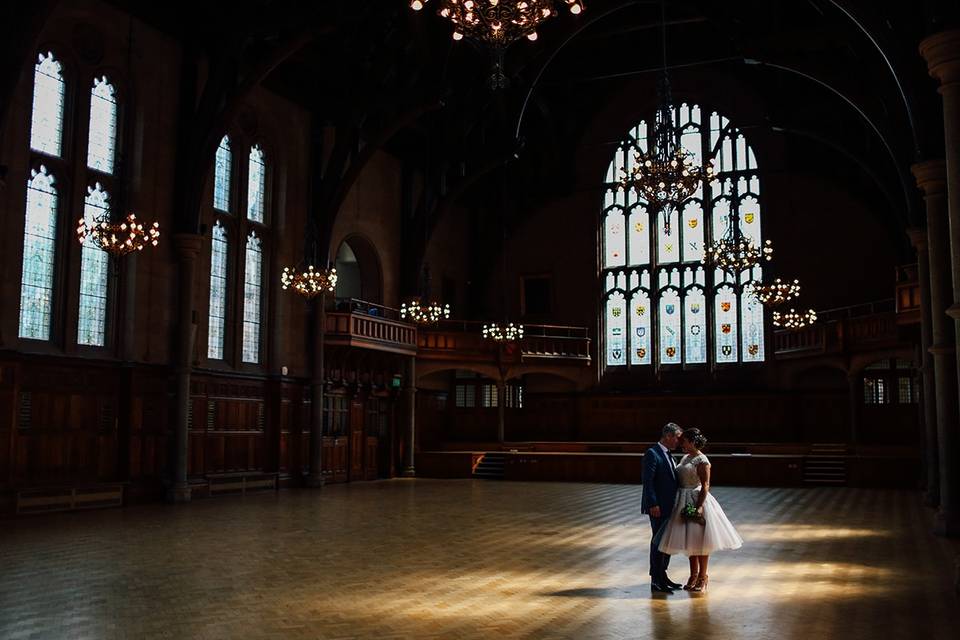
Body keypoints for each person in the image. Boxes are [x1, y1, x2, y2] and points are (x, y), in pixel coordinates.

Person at [658, 428, 743, 593]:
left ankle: (703, 577)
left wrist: (699, 507)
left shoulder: (702, 460)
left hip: (696, 500)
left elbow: (705, 485)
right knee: (691, 541)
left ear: (691, 441)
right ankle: (693, 575)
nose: (681, 443)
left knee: (701, 541)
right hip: (682, 499)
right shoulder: (685, 457)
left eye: (683, 441)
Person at [641, 422, 682, 593]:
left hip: (670, 506)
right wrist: (653, 504)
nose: (678, 442)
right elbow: (648, 481)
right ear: (668, 436)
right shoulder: (652, 453)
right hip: (658, 507)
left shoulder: (670, 455)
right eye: (677, 438)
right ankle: (655, 579)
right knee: (658, 542)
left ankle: (663, 574)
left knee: (667, 542)